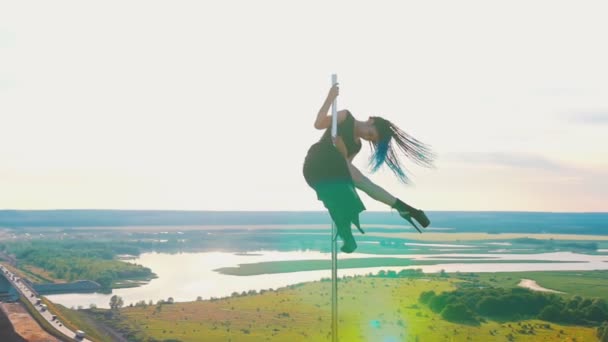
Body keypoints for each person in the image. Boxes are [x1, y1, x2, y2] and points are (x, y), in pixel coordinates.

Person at [303, 83, 435, 253]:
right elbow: (319, 124)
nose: (368, 137)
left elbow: (344, 165)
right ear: (371, 121)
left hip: (333, 171)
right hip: (318, 161)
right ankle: (405, 210)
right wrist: (330, 97)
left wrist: (342, 149)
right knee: (356, 181)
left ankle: (402, 209)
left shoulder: (357, 146)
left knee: (358, 182)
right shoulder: (345, 117)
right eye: (371, 134)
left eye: (372, 139)